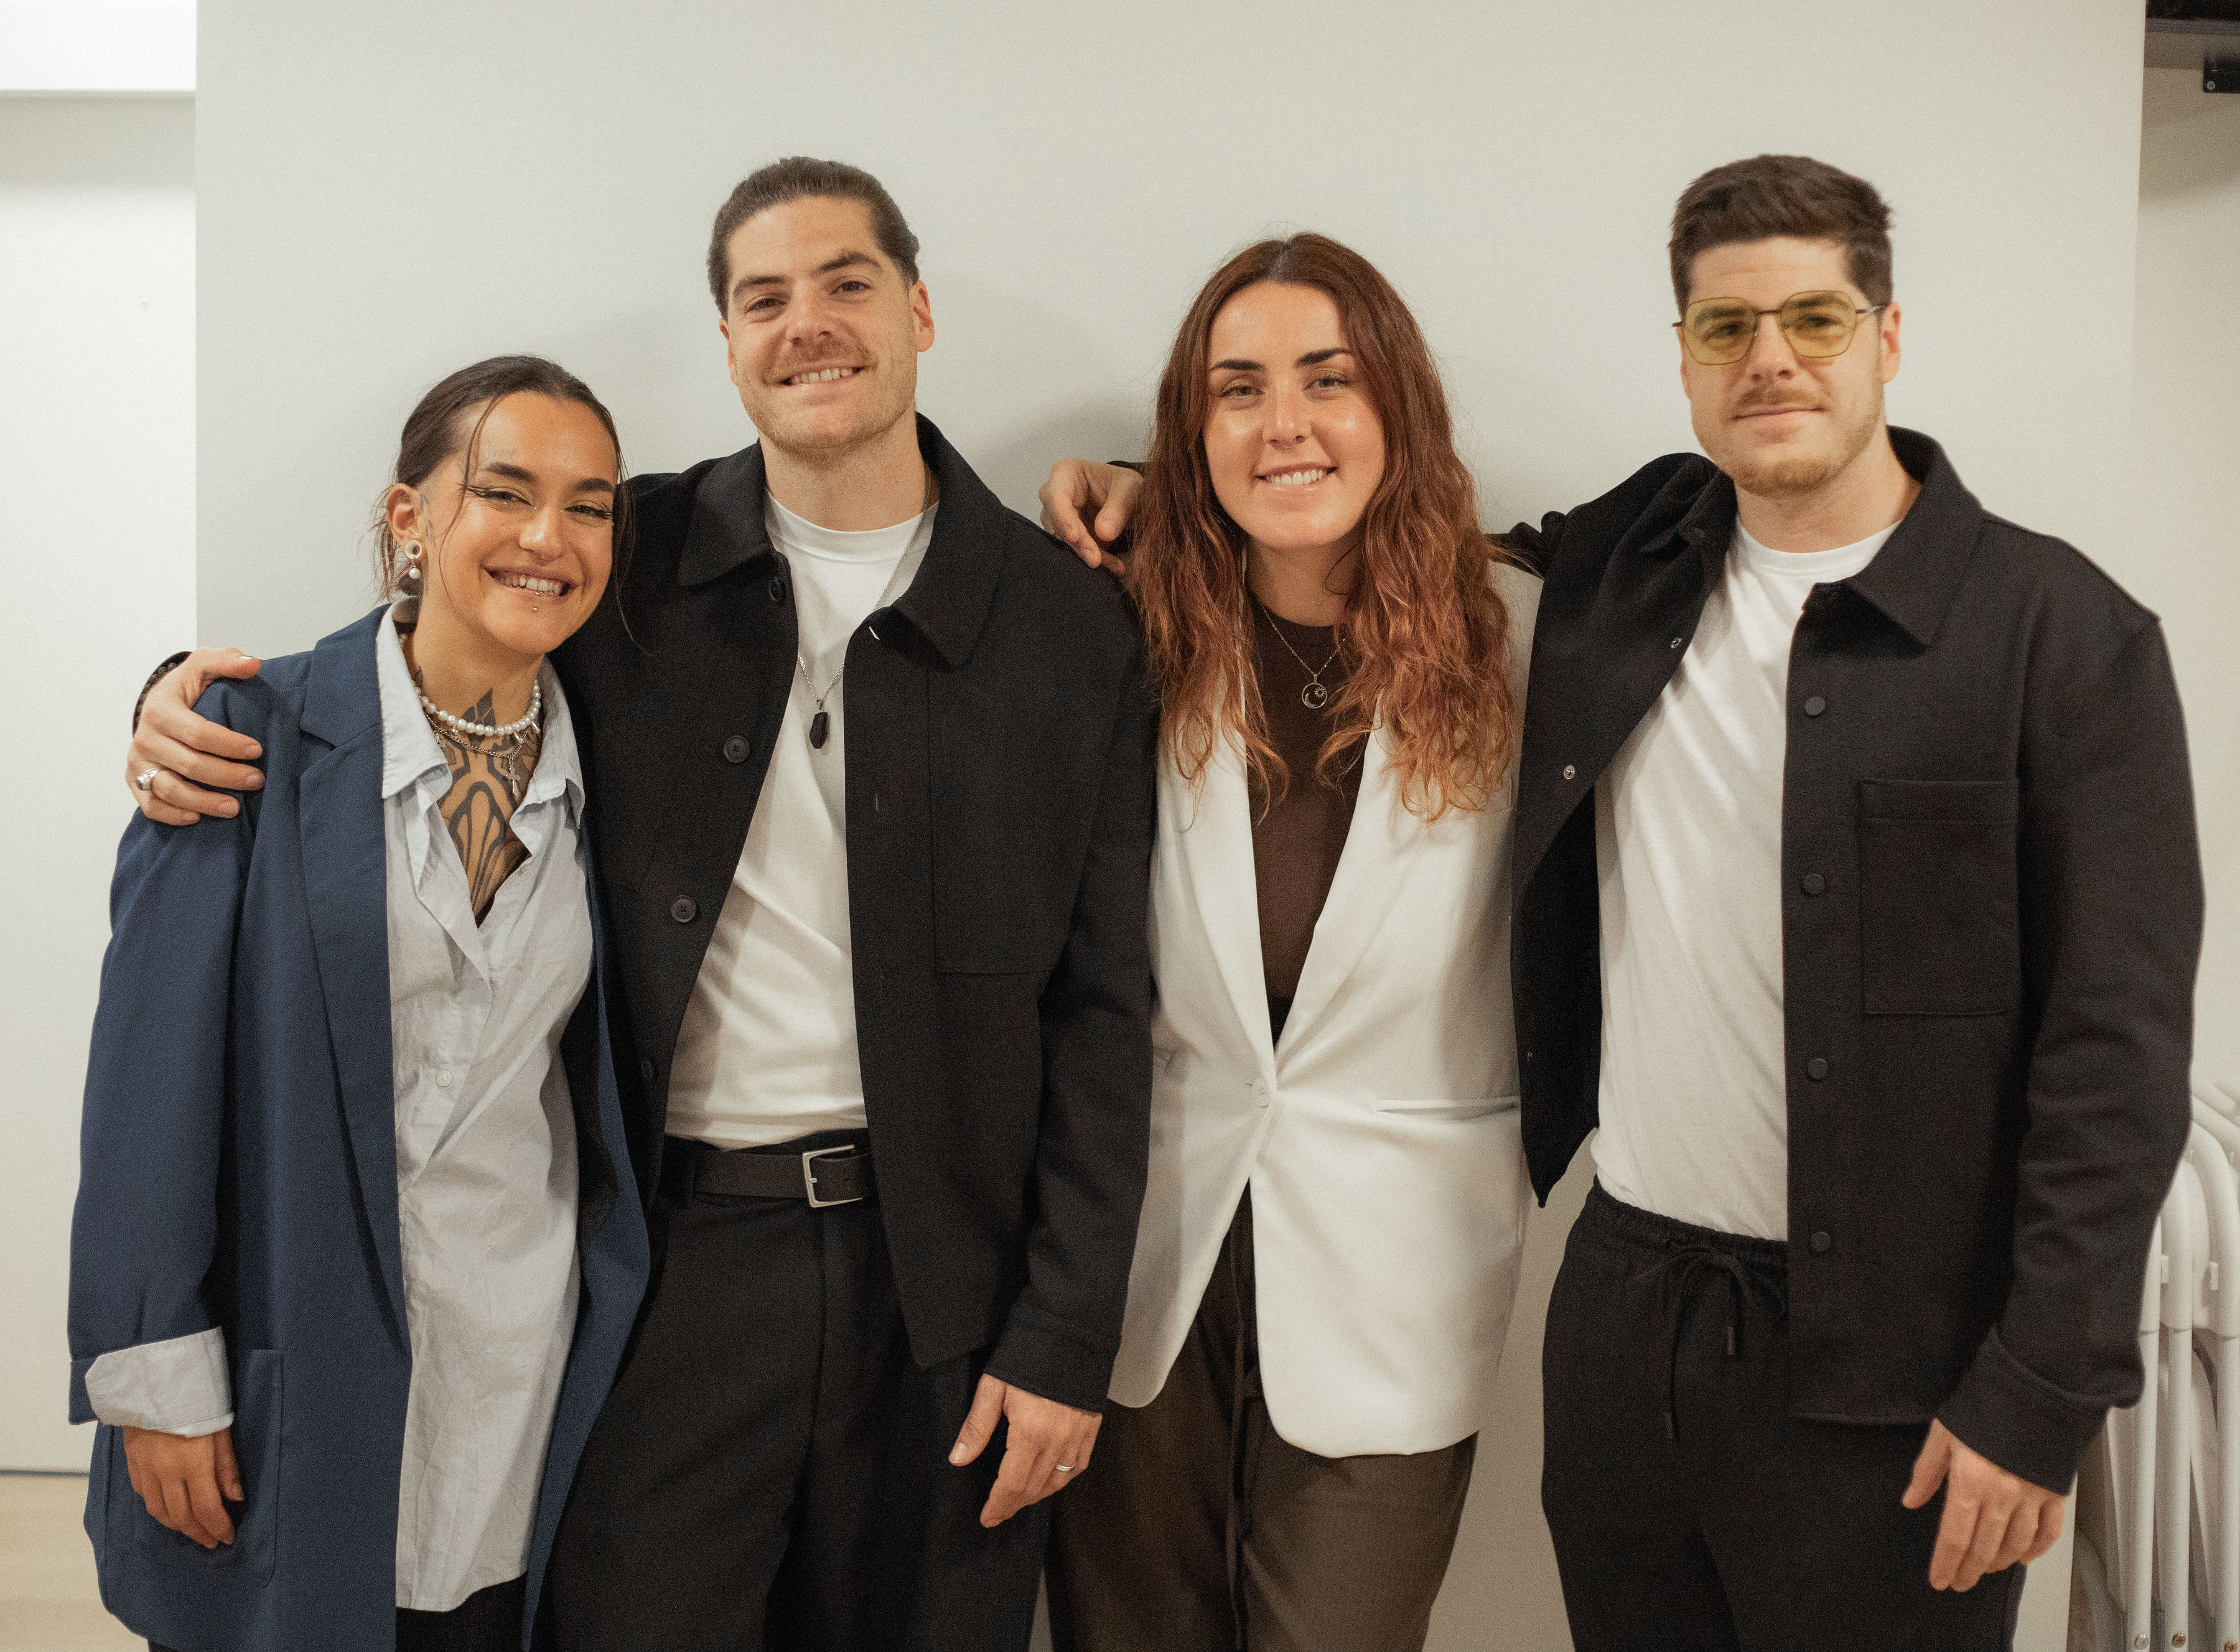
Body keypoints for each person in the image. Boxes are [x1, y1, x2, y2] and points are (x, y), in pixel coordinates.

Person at [1042, 154, 2202, 1650]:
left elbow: (2114, 1054)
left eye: (1816, 321)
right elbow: (1356, 537)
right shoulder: (1632, 577)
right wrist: (1149, 494)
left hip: (1895, 1345)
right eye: (1726, 328)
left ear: (1892, 336)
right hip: (1625, 1316)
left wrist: (2042, 1383)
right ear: (1681, 358)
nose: (1770, 360)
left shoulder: (2059, 638)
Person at [124, 157, 1156, 1652]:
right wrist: (183, 698)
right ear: (727, 342)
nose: (808, 323)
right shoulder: (625, 559)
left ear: (919, 308)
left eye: (848, 282)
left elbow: (1109, 1007)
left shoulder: (1066, 620)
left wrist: (1065, 1334)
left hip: (949, 1294)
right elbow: (428, 650)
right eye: (763, 298)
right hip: (670, 1267)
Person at [72, 355, 651, 1652]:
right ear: (411, 517)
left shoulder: (620, 760)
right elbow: (145, 1084)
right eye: (504, 491)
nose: (549, 537)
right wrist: (156, 1372)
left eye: (591, 503)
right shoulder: (246, 733)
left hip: (520, 1371)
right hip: (289, 1364)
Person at [1038, 234, 1538, 1652]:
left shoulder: (1527, 642)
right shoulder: (1118, 632)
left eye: (1329, 380)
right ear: (1191, 437)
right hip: (1145, 1258)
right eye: (1236, 390)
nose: (1285, 424)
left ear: (1400, 407)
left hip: (1399, 1263)